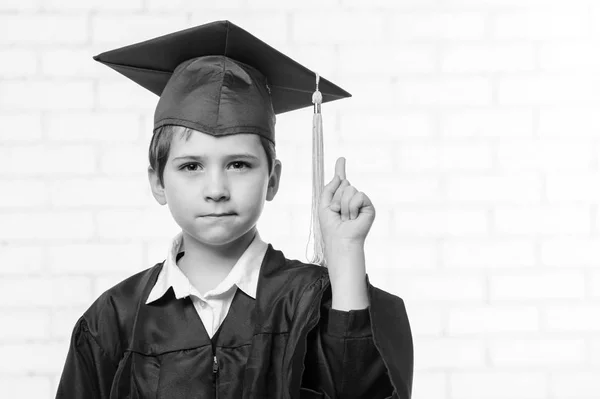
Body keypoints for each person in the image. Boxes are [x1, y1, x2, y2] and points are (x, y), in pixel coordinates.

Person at [55, 20, 413, 399]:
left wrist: (345, 254)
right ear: (158, 182)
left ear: (272, 179)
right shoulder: (114, 320)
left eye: (238, 164)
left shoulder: (315, 302)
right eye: (191, 166)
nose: (216, 190)